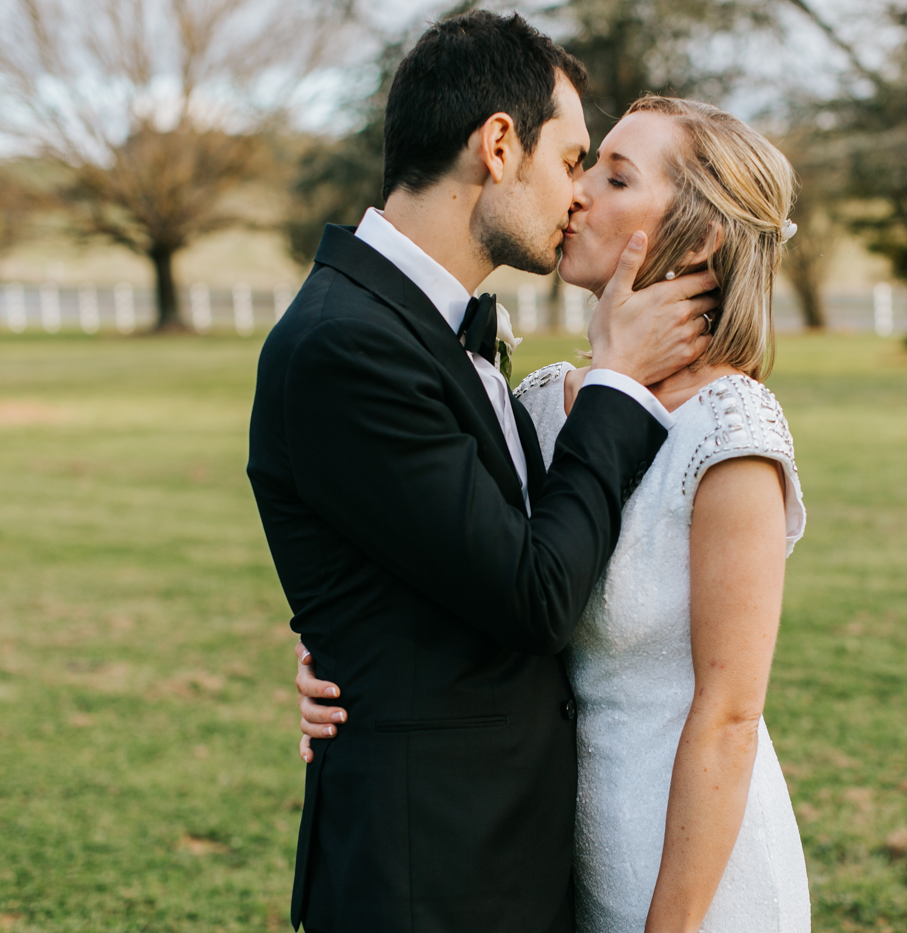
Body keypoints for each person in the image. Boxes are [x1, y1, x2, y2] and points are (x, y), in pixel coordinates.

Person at [247, 12, 717, 933]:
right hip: (431, 877)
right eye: (572, 158)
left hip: (501, 855)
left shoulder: (421, 327)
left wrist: (354, 637)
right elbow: (535, 593)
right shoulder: (348, 345)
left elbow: (426, 554)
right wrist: (617, 383)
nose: (579, 195)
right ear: (498, 145)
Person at [297, 94, 811, 932]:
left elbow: (729, 714)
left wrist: (669, 926)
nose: (577, 195)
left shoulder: (729, 432)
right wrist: (333, 654)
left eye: (614, 177)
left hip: (694, 882)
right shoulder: (539, 405)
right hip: (548, 867)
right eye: (583, 168)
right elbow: (477, 568)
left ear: (701, 234)